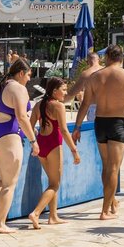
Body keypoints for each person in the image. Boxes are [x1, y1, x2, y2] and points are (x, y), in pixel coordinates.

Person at [72, 45, 124, 219]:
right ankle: (104, 211)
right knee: (114, 168)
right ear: (121, 58)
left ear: (107, 57)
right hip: (118, 123)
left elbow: (85, 104)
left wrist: (78, 127)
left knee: (107, 165)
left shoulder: (95, 77)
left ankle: (111, 202)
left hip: (100, 123)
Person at [0, 57, 37, 233]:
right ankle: (1, 223)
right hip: (9, 136)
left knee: (4, 180)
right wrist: (34, 141)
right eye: (28, 75)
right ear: (21, 73)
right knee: (10, 183)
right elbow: (22, 117)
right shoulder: (18, 88)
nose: (29, 79)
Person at [28, 77, 81, 228]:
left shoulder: (38, 105)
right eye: (63, 90)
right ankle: (36, 213)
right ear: (54, 91)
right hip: (53, 145)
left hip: (41, 146)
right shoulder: (58, 106)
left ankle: (53, 216)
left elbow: (30, 126)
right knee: (55, 185)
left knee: (52, 181)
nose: (66, 93)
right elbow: (64, 131)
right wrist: (74, 151)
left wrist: (34, 144)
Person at [65, 51, 103, 121]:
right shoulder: (108, 72)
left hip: (94, 109)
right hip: (108, 108)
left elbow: (72, 93)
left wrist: (60, 101)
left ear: (88, 62)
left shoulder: (86, 74)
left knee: (94, 131)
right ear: (99, 60)